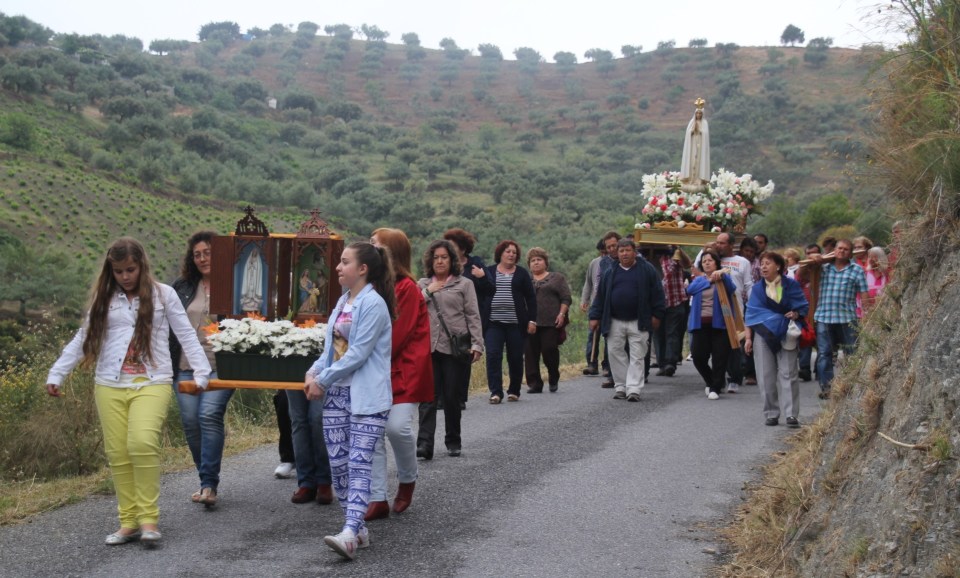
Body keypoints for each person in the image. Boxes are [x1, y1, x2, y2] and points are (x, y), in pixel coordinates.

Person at [46, 237, 211, 546]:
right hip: (109, 383)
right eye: (119, 271)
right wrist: (57, 373)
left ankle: (149, 521)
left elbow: (186, 334)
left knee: (142, 443)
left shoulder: (165, 295)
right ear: (112, 270)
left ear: (141, 266)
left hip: (153, 381)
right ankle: (128, 522)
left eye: (131, 269)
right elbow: (84, 337)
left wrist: (202, 373)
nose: (125, 276)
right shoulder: (103, 297)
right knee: (119, 454)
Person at [307, 242, 395, 561]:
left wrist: (322, 379)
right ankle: (357, 529)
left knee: (359, 462)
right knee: (340, 465)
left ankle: (349, 531)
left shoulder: (373, 304)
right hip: (338, 395)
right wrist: (313, 371)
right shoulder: (344, 300)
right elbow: (331, 348)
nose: (338, 268)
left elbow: (358, 353)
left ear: (363, 269)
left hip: (367, 396)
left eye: (344, 262)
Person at [365, 228, 433, 520]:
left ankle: (407, 478)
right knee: (374, 432)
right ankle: (377, 497)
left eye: (375, 245)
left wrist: (357, 357)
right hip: (377, 368)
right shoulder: (371, 285)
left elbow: (396, 336)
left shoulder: (406, 288)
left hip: (403, 368)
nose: (370, 249)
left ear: (390, 252)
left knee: (397, 427)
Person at [170, 231, 232, 507]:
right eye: (197, 254)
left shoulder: (233, 284)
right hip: (185, 366)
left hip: (222, 366)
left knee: (208, 415)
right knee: (191, 423)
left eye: (207, 252)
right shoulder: (182, 287)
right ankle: (204, 478)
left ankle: (209, 485)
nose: (202, 258)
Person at [417, 239, 484, 458]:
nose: (439, 261)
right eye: (436, 257)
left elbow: (473, 314)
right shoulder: (422, 284)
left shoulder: (464, 284)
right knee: (428, 398)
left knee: (452, 396)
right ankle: (424, 444)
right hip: (428, 347)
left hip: (454, 348)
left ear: (452, 260)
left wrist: (477, 343)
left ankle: (453, 440)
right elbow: (411, 308)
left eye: (444, 257)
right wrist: (428, 291)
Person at [589, 238, 665, 402]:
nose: (624, 254)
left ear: (634, 252)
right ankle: (621, 386)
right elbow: (600, 296)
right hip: (614, 320)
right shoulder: (610, 272)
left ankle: (634, 389)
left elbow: (658, 293)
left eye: (627, 250)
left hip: (640, 320)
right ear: (617, 253)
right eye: (621, 251)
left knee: (638, 355)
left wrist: (657, 315)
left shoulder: (647, 270)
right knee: (615, 352)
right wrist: (594, 316)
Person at [744, 252, 809, 427]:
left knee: (789, 373)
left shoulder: (791, 285)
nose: (763, 267)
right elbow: (751, 313)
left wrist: (795, 313)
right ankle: (771, 412)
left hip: (786, 331)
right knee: (765, 374)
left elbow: (803, 306)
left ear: (778, 266)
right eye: (762, 264)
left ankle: (791, 415)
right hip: (763, 333)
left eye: (768, 263)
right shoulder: (757, 288)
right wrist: (748, 338)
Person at [480, 240, 537, 404]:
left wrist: (532, 320)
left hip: (516, 324)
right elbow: (481, 294)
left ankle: (514, 390)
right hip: (493, 323)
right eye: (508, 251)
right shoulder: (489, 271)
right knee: (492, 355)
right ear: (500, 254)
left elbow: (531, 298)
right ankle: (496, 392)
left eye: (514, 252)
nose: (511, 254)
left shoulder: (522, 273)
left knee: (516, 358)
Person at [810, 239, 868, 399]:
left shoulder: (856, 270)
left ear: (851, 253)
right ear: (834, 250)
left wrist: (867, 314)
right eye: (839, 248)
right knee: (824, 354)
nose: (842, 251)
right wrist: (815, 257)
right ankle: (827, 387)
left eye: (846, 249)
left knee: (852, 352)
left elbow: (864, 294)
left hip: (847, 318)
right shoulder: (823, 268)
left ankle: (851, 385)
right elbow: (803, 275)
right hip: (824, 316)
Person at [443, 228, 492, 410]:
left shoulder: (475, 264)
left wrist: (482, 277)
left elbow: (490, 289)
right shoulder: (444, 264)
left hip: (470, 316)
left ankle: (460, 397)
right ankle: (444, 396)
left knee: (463, 355)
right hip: (447, 317)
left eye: (453, 246)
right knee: (445, 355)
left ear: (463, 249)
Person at [685, 250, 737, 400]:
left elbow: (732, 289)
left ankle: (715, 387)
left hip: (720, 324)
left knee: (720, 357)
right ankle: (711, 381)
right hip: (700, 324)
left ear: (716, 263)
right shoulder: (699, 280)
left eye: (710, 260)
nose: (707, 263)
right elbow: (690, 290)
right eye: (704, 261)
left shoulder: (723, 277)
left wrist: (721, 276)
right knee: (698, 356)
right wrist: (709, 281)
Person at [524, 247, 572, 393]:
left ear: (545, 262)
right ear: (529, 264)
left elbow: (566, 298)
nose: (536, 263)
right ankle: (535, 383)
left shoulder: (557, 278)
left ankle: (553, 376)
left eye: (539, 259)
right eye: (533, 260)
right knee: (530, 354)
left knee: (549, 349)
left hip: (551, 321)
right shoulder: (525, 279)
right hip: (530, 322)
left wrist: (562, 314)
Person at [713, 232, 753, 393]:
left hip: (735, 307)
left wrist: (752, 306)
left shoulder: (742, 262)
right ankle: (718, 378)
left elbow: (748, 284)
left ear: (731, 245)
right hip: (715, 307)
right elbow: (697, 270)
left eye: (722, 243)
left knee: (734, 343)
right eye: (717, 242)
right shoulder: (712, 258)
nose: (718, 246)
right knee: (717, 344)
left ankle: (735, 378)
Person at [655, 245, 690, 377]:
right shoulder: (651, 256)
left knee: (672, 332)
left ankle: (670, 362)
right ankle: (662, 364)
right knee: (658, 335)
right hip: (657, 303)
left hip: (675, 301)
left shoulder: (675, 255)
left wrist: (679, 248)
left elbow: (687, 264)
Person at [580, 238, 606, 376]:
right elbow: (588, 283)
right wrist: (584, 300)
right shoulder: (594, 263)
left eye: (605, 252)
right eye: (601, 252)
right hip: (595, 304)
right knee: (592, 334)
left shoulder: (614, 263)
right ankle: (592, 364)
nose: (604, 255)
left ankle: (607, 365)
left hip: (609, 305)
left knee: (608, 336)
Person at [680, 101, 710, 184]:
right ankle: (691, 179)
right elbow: (688, 133)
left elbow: (705, 134)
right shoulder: (691, 122)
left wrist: (700, 131)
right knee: (692, 160)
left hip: (700, 146)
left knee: (699, 161)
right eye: (697, 114)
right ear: (695, 114)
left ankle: (698, 179)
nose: (698, 115)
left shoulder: (704, 123)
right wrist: (692, 131)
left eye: (700, 114)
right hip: (692, 145)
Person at [861, 246, 889, 312]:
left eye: (874, 257)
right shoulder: (866, 273)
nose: (871, 259)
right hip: (869, 311)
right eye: (869, 257)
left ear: (881, 258)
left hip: (884, 309)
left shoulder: (887, 273)